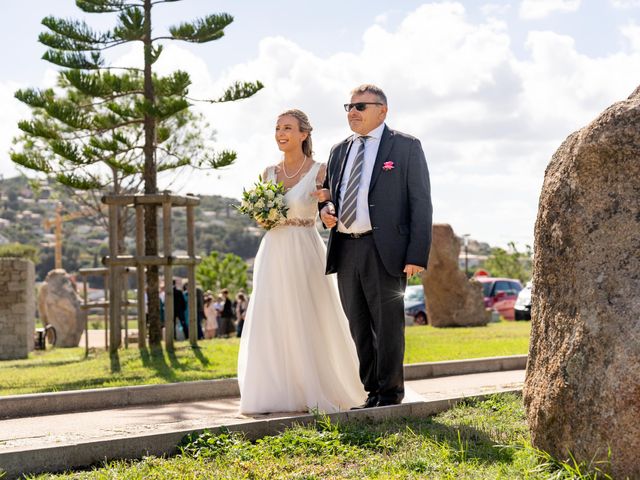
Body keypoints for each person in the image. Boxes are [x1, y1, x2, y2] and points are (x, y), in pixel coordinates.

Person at [238, 109, 365, 414]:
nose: (281, 133)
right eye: (278, 128)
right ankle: (275, 390)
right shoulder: (268, 172)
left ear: (305, 134)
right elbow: (262, 219)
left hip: (304, 248)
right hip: (272, 250)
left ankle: (318, 387)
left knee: (309, 314)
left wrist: (326, 210)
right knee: (273, 315)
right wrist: (263, 215)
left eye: (288, 128)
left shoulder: (320, 170)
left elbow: (327, 206)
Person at [320, 84, 432, 408]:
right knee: (358, 324)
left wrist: (416, 254)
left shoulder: (406, 146)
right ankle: (372, 393)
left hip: (386, 251)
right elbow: (329, 192)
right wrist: (325, 211)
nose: (351, 112)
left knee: (387, 327)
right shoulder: (339, 150)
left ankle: (390, 395)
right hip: (346, 248)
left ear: (382, 110)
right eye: (349, 107)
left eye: (359, 107)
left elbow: (421, 202)